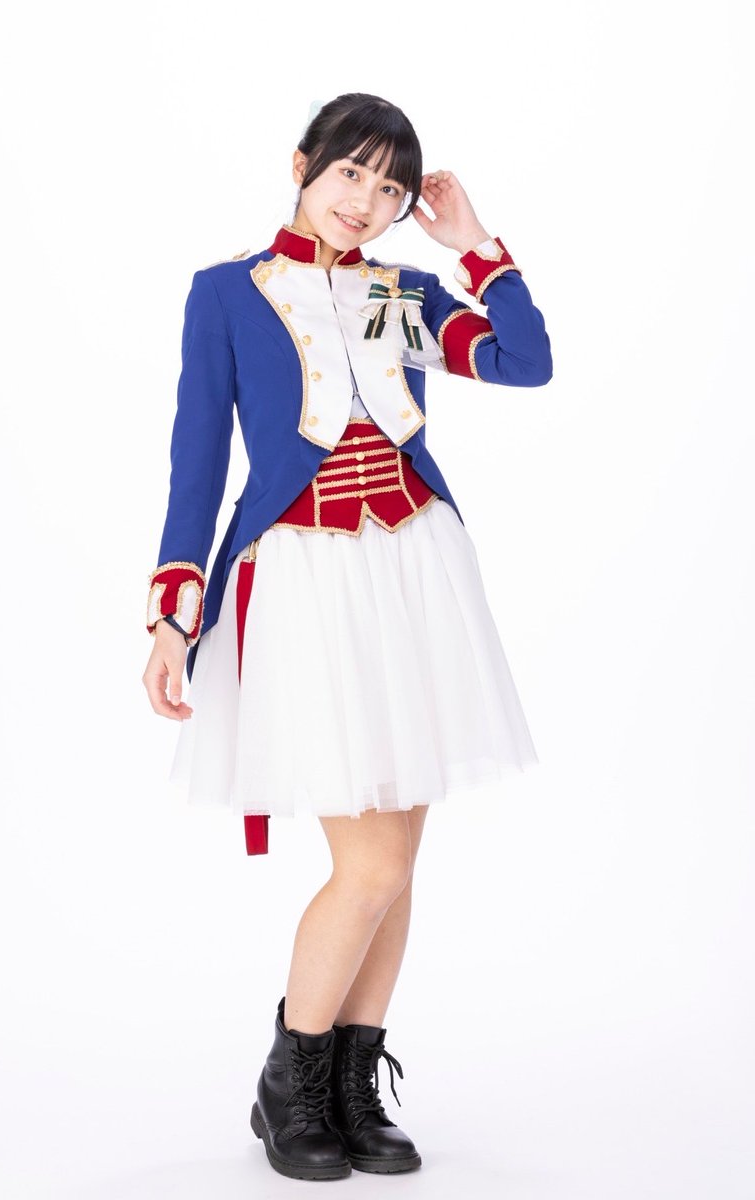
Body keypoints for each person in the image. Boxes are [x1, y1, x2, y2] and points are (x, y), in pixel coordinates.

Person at [142, 92, 552, 1181]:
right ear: (302, 166)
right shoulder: (228, 293)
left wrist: (475, 245)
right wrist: (175, 611)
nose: (366, 201)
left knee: (398, 861)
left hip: (414, 569)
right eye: (350, 174)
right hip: (304, 580)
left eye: (390, 187)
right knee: (366, 865)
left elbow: (524, 360)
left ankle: (351, 1087)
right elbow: (197, 461)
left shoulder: (401, 292)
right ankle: (290, 1082)